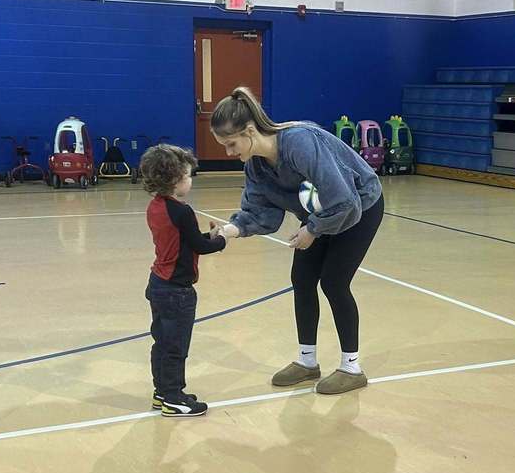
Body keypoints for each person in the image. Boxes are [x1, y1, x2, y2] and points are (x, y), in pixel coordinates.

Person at [211, 87, 383, 395]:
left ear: (250, 131)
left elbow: (344, 200)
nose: (228, 153)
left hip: (360, 204)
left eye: (231, 144)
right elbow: (260, 214)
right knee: (302, 279)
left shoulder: (299, 142)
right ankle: (307, 363)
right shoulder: (256, 167)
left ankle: (351, 367)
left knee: (333, 281)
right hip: (323, 211)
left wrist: (312, 230)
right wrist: (230, 231)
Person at [141, 144, 227, 417]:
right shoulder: (182, 211)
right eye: (188, 175)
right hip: (176, 291)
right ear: (175, 179)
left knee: (162, 342)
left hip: (158, 283)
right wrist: (223, 239)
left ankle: (162, 392)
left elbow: (185, 240)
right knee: (176, 346)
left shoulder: (156, 206)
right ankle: (173, 397)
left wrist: (205, 236)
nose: (191, 180)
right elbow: (200, 247)